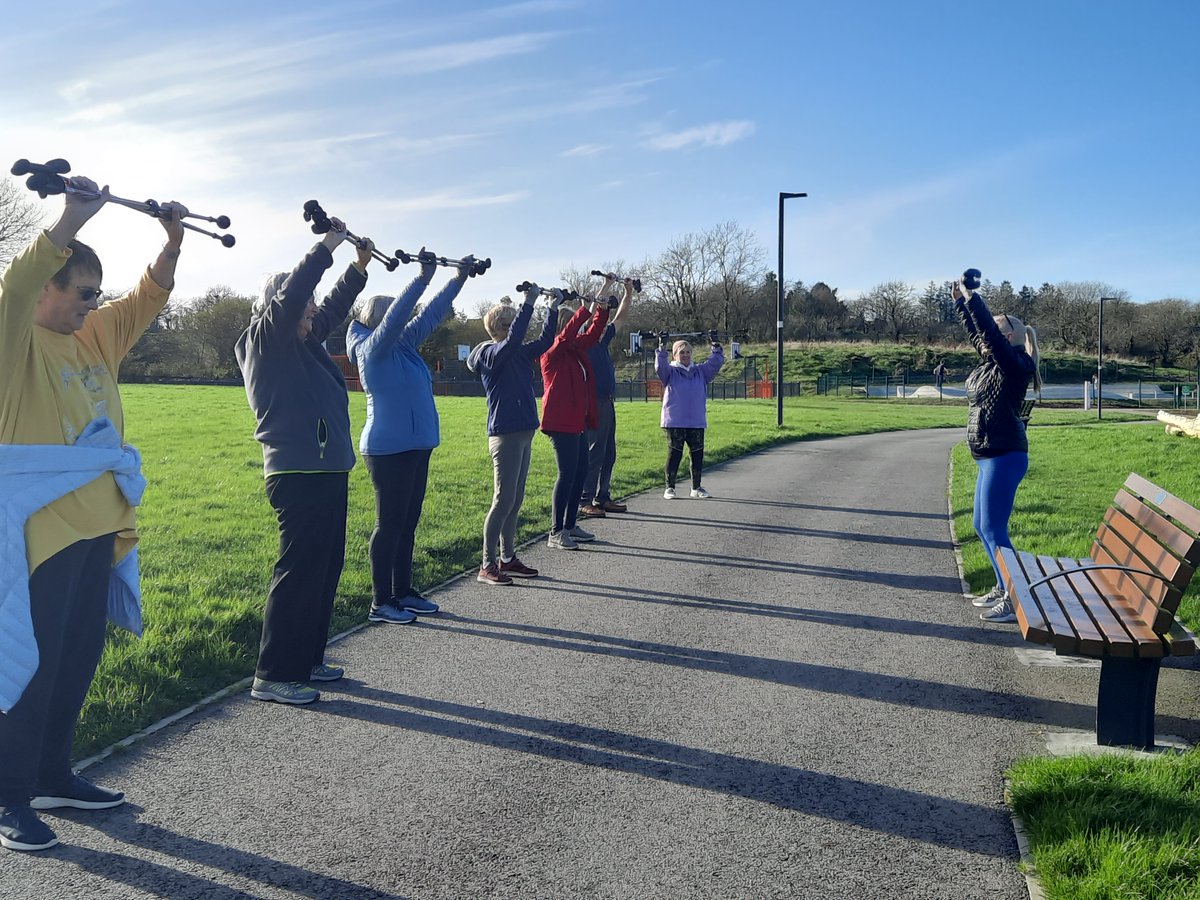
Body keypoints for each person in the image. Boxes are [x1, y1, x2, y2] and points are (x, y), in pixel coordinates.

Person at [0, 177, 186, 851]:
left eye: (95, 297)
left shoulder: (94, 336)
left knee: (77, 658)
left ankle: (51, 773)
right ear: (51, 285)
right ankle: (8, 798)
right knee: (31, 665)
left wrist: (172, 241)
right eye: (82, 293)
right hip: (39, 534)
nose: (92, 307)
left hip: (97, 526)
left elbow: (148, 298)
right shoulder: (14, 341)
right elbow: (14, 289)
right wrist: (67, 220)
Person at [236, 221, 373, 706]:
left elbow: (330, 307)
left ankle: (306, 659)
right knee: (298, 571)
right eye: (305, 304)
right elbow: (298, 293)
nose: (314, 309)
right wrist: (327, 246)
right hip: (296, 469)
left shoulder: (305, 341)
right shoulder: (265, 341)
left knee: (324, 566)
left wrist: (358, 269)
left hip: (328, 467)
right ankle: (273, 674)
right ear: (281, 305)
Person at [346, 254, 476, 620]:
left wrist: (458, 279)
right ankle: (380, 602)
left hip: (417, 446)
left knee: (407, 524)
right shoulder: (372, 351)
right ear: (381, 321)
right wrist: (421, 277)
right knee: (389, 526)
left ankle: (403, 591)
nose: (406, 324)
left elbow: (430, 315)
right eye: (396, 319)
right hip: (388, 449)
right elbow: (399, 317)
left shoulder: (404, 348)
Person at [953, 274, 1042, 623]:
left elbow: (986, 331)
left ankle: (1016, 595)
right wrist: (960, 302)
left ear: (1007, 337)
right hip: (989, 456)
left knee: (993, 529)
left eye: (996, 329)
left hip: (1004, 457)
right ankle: (1003, 584)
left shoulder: (1014, 363)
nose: (987, 334)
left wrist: (973, 297)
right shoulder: (992, 360)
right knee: (980, 525)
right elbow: (979, 334)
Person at [466, 285, 560, 583]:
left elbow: (546, 340)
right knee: (503, 498)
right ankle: (487, 563)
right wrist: (529, 302)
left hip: (524, 431)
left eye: (513, 323)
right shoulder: (491, 355)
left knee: (516, 499)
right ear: (495, 328)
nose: (512, 329)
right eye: (506, 324)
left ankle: (507, 558)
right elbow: (513, 340)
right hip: (504, 433)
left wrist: (553, 308)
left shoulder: (516, 351)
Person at [539, 294, 613, 549]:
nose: (577, 328)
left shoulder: (576, 351)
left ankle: (570, 525)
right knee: (567, 474)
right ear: (562, 327)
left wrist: (602, 310)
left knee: (580, 472)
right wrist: (584, 309)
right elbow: (566, 335)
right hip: (560, 422)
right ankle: (556, 531)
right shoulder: (551, 353)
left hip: (578, 421)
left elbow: (593, 335)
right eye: (572, 324)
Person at [579, 276, 634, 519]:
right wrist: (605, 287)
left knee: (609, 452)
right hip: (593, 402)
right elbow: (589, 313)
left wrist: (628, 293)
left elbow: (620, 317)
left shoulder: (603, 340)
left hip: (608, 402)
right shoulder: (584, 340)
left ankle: (603, 496)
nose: (602, 325)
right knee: (595, 451)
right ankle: (585, 499)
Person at [657, 333, 725, 499]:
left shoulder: (700, 371)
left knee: (697, 454)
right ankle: (670, 487)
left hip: (696, 421)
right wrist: (661, 348)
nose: (685, 355)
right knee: (675, 454)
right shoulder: (670, 372)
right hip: (675, 421)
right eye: (682, 352)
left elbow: (715, 363)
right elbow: (660, 367)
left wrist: (715, 345)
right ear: (675, 355)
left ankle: (696, 487)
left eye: (688, 352)